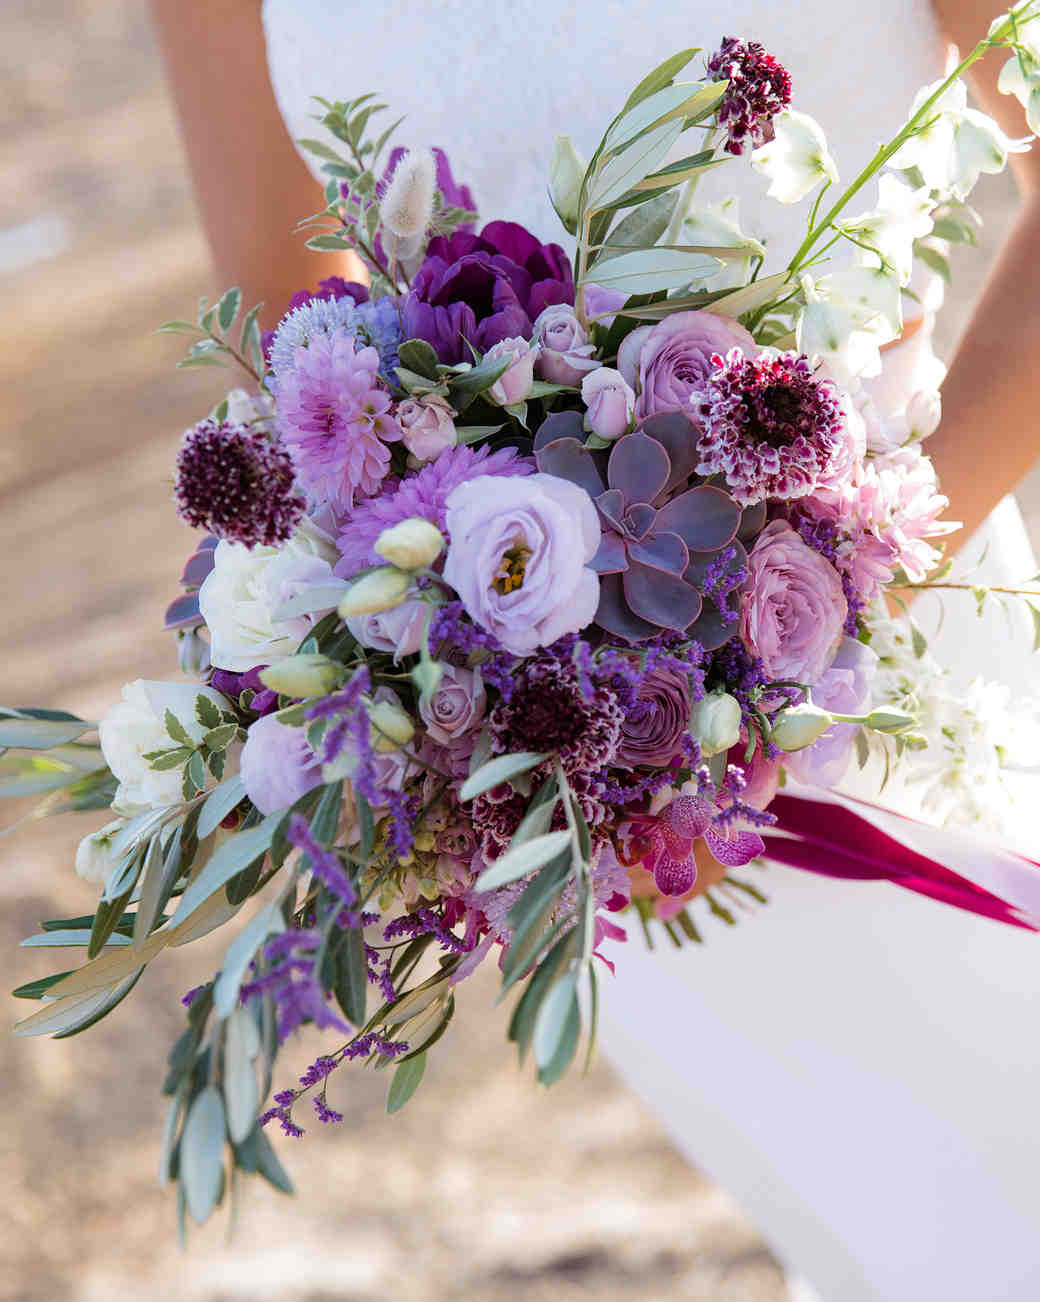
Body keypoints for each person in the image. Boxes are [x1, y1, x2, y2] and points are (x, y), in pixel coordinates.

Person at [152, 3, 1040, 1298]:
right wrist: (435, 685)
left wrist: (842, 582)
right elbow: (292, 343)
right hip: (603, 800)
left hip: (907, 676)